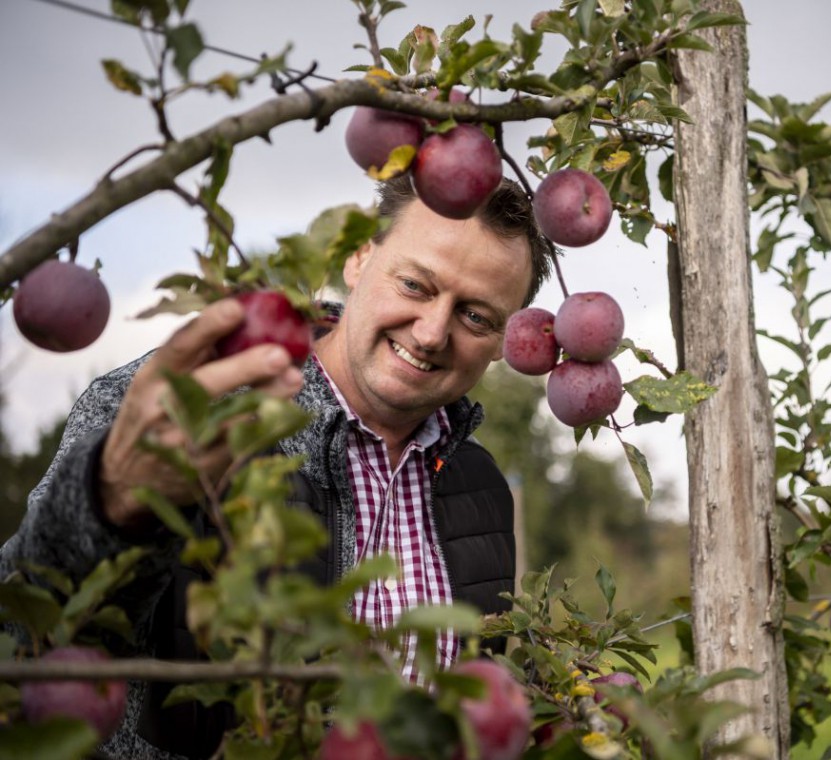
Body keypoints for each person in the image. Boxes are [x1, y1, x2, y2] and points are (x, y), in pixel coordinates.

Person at [0, 174, 553, 759]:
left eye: (475, 317)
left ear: (503, 341)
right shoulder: (180, 414)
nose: (432, 331)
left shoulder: (482, 486)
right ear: (360, 258)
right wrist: (103, 506)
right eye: (415, 284)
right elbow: (25, 634)